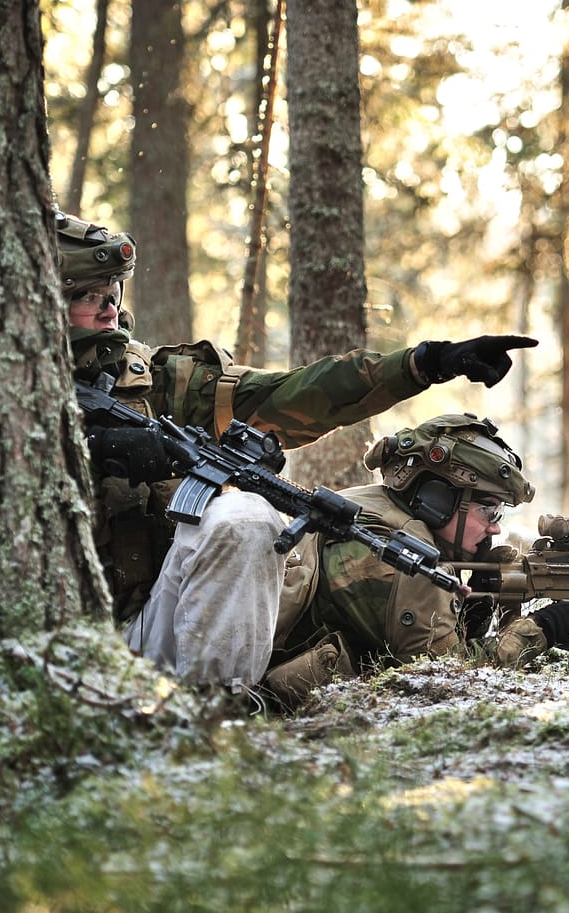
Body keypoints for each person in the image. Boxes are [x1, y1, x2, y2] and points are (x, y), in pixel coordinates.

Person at [55, 211, 537, 691]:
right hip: (46, 642)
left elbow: (292, 395)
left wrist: (425, 363)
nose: (107, 312)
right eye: (86, 297)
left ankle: (211, 716)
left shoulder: (157, 384)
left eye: (111, 295)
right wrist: (91, 447)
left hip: (148, 632)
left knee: (248, 516)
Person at [262, 413, 569, 708]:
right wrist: (544, 628)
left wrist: (473, 610)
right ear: (437, 500)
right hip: (266, 707)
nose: (495, 525)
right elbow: (448, 679)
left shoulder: (371, 507)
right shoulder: (403, 561)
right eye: (488, 510)